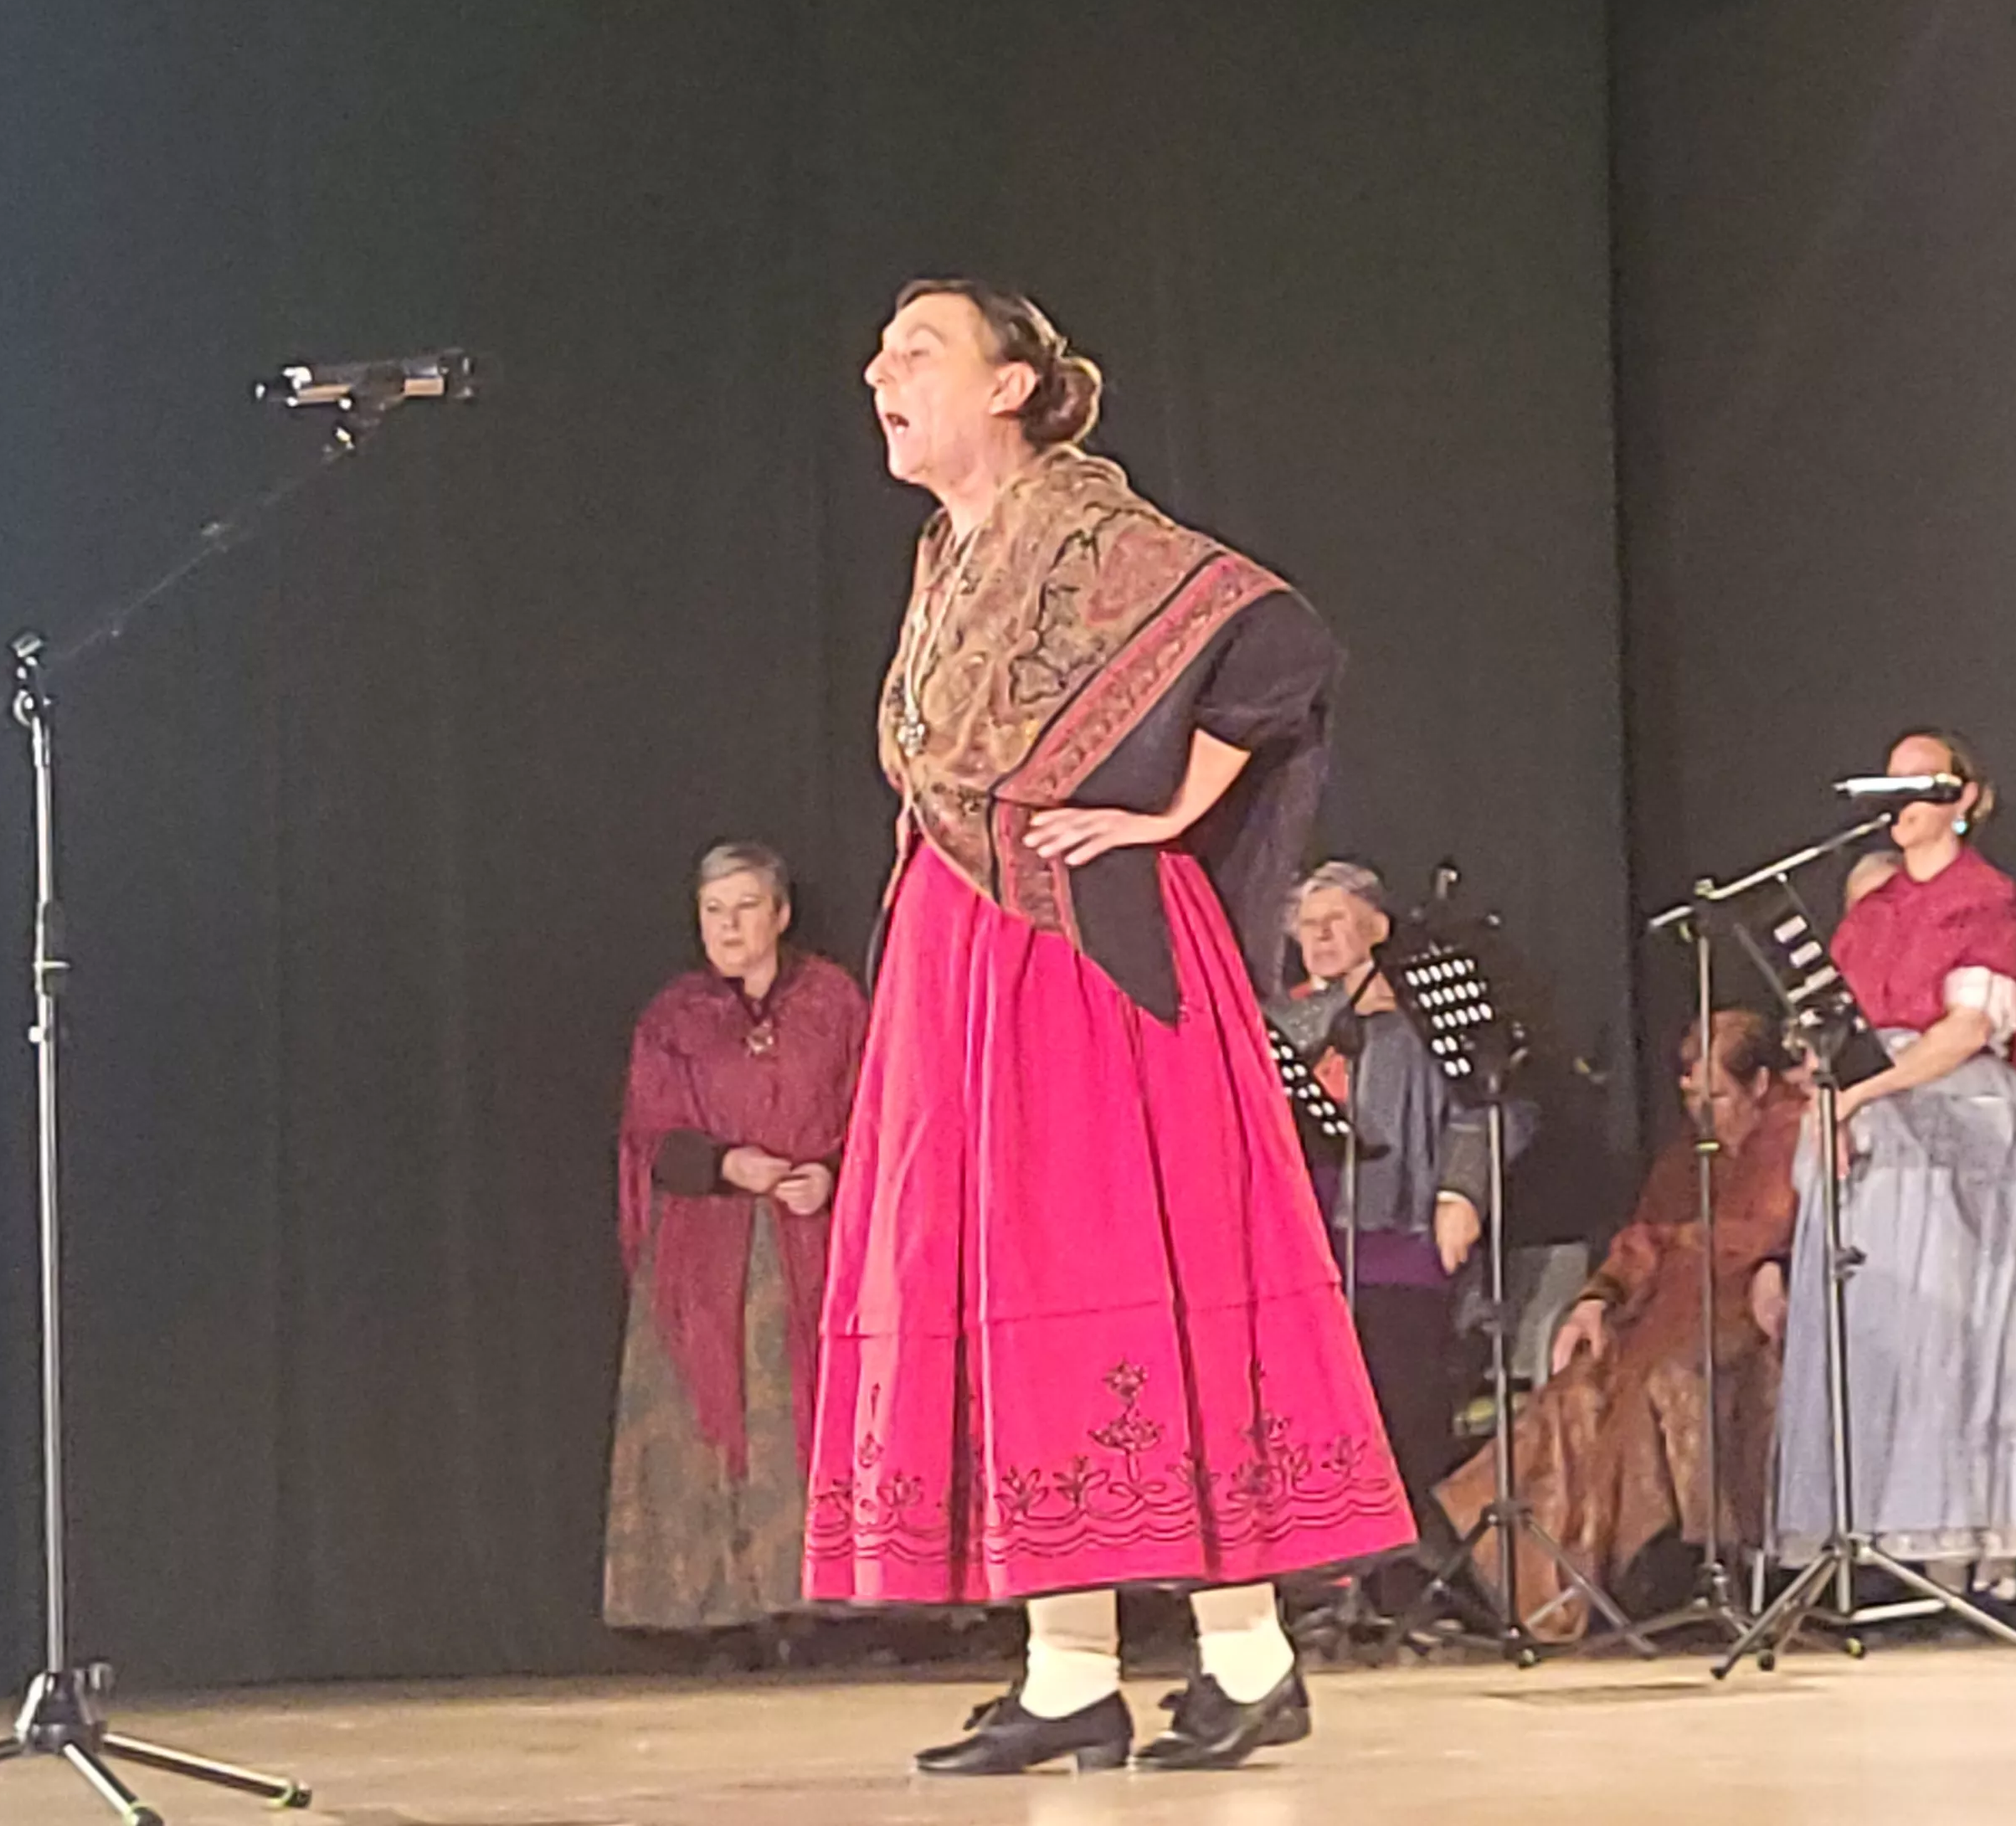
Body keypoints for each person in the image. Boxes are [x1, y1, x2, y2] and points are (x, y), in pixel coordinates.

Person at [807, 280, 1409, 1774]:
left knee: (1136, 1269)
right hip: (971, 941)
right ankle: (1068, 1665)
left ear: (1012, 385)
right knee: (1014, 1284)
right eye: (881, 354)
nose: (883, 372)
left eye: (919, 350)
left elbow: (1280, 644)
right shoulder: (950, 553)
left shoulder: (1086, 529)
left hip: (1088, 949)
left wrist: (1171, 805)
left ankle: (1247, 1652)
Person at [1774, 730, 2016, 1602]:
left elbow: (1964, 1028)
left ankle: (1965, 1551)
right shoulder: (1869, 909)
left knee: (1956, 1328)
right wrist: (1823, 1097)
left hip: (1953, 1122)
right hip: (1869, 1124)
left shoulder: (1987, 898)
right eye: (1891, 783)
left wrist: (1863, 1090)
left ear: (1964, 797)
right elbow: (1821, 1022)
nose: (1901, 798)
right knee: (1876, 1330)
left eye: (1923, 782)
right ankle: (1878, 1545)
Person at [1433, 1008, 1803, 1640]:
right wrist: (1596, 1298)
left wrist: (1715, 1251)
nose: (1700, 1110)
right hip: (1663, 1309)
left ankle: (1650, 1569)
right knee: (1574, 1392)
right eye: (1690, 1095)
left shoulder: (1793, 1133)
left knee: (1660, 1385)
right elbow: (1641, 1237)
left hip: (1746, 1311)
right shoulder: (1688, 1153)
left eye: (1715, 1095)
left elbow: (1766, 1232)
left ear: (1760, 1084)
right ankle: (1486, 1559)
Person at [606, 841, 866, 1644]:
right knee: (712, 1428)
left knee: (812, 1417)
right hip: (707, 1254)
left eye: (745, 907)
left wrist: (829, 1170)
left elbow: (876, 1106)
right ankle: (721, 1615)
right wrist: (727, 1163)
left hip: (812, 1244)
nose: (728, 926)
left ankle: (833, 1611)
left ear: (780, 914)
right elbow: (647, 1134)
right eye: (713, 911)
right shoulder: (675, 1018)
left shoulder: (832, 1001)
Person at [1268, 862, 1484, 1516]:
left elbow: (1494, 1105)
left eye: (1336, 922)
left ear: (1379, 928)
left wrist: (1461, 1191)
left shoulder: (1426, 1017)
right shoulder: (1290, 1020)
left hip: (1399, 1232)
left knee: (1401, 1406)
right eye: (1308, 926)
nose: (1320, 937)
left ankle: (1406, 1572)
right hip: (1303, 1237)